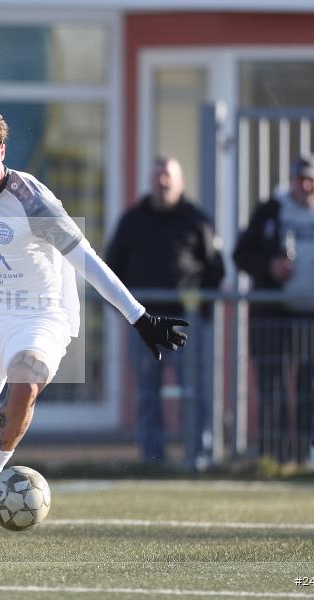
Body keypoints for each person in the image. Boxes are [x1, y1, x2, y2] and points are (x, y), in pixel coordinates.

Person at [0, 107, 187, 564]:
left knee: (26, 378)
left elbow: (86, 258)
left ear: (3, 153)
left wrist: (138, 317)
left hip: (41, 314)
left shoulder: (30, 198)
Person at [234, 154, 314, 465]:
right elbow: (242, 253)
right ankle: (273, 458)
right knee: (273, 383)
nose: (305, 186)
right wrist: (269, 266)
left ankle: (311, 456)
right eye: (299, 179)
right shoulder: (271, 211)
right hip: (276, 316)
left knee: (311, 384)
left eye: (312, 180)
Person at [106, 157, 225, 469]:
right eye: (158, 177)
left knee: (194, 391)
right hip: (144, 323)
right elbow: (111, 268)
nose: (163, 183)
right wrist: (126, 311)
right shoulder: (132, 220)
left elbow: (216, 269)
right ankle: (152, 459)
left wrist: (202, 311)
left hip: (186, 324)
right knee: (147, 394)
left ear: (180, 182)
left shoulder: (196, 220)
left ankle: (197, 456)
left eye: (168, 177)